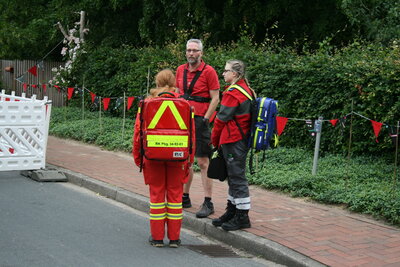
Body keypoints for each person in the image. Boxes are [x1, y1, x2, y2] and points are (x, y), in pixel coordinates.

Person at [133, 69, 195, 247]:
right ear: (174, 84)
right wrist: (189, 159)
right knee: (176, 197)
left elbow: (138, 133)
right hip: (178, 157)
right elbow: (192, 135)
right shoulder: (185, 105)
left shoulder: (146, 104)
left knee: (157, 196)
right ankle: (174, 239)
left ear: (157, 84)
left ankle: (158, 238)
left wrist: (139, 158)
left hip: (152, 158)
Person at [175, 39, 220, 218]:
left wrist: (206, 119)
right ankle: (184, 197)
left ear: (201, 53)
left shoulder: (209, 72)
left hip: (200, 121)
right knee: (185, 159)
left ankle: (208, 202)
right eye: (188, 50)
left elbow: (215, 98)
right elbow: (177, 93)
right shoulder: (180, 70)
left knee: (202, 162)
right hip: (182, 121)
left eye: (194, 50)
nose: (191, 53)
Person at [210, 60, 254, 231]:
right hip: (240, 140)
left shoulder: (233, 93)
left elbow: (221, 119)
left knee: (237, 177)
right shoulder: (247, 90)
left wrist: (214, 140)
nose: (223, 73)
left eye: (226, 70)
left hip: (233, 140)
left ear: (234, 74)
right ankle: (232, 210)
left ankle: (242, 216)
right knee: (233, 176)